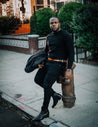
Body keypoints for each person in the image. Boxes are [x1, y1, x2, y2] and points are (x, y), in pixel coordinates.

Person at [33, 17, 74, 121]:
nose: (53, 25)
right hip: (48, 62)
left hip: (58, 64)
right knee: (37, 80)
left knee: (47, 85)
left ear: (59, 23)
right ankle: (55, 95)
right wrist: (41, 62)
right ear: (49, 24)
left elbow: (71, 53)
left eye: (55, 23)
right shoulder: (49, 36)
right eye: (51, 23)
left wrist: (68, 69)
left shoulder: (65, 35)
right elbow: (46, 51)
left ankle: (44, 111)